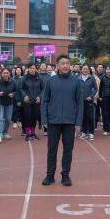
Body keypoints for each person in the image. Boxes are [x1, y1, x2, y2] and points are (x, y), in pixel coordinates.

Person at [40, 55, 84, 187]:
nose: (65, 66)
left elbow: (80, 103)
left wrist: (78, 122)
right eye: (63, 63)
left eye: (67, 63)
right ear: (57, 66)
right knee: (51, 149)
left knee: (68, 150)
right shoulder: (50, 81)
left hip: (70, 122)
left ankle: (65, 175)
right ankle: (50, 175)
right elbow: (44, 101)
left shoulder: (76, 82)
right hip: (53, 121)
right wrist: (44, 119)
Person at [19, 64, 44, 141]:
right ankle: (28, 133)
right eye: (31, 68)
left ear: (36, 69)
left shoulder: (39, 78)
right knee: (28, 117)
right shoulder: (24, 78)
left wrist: (40, 97)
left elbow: (43, 89)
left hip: (36, 101)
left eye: (34, 68)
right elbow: (21, 88)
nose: (32, 70)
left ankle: (33, 133)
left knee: (34, 117)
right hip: (27, 101)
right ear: (28, 69)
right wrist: (25, 96)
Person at [0, 68, 17, 143]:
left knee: (8, 119)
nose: (5, 74)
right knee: (1, 118)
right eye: (4, 73)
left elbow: (16, 90)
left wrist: (13, 94)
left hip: (9, 103)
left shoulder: (13, 81)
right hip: (0, 102)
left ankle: (5, 132)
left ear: (9, 74)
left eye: (7, 73)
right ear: (1, 74)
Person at [79, 65, 98, 141]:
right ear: (81, 70)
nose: (85, 70)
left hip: (89, 101)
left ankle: (91, 133)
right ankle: (84, 132)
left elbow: (95, 88)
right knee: (83, 117)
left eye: (87, 69)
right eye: (84, 69)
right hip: (81, 101)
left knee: (90, 117)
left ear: (89, 70)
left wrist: (91, 96)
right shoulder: (78, 78)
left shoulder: (92, 78)